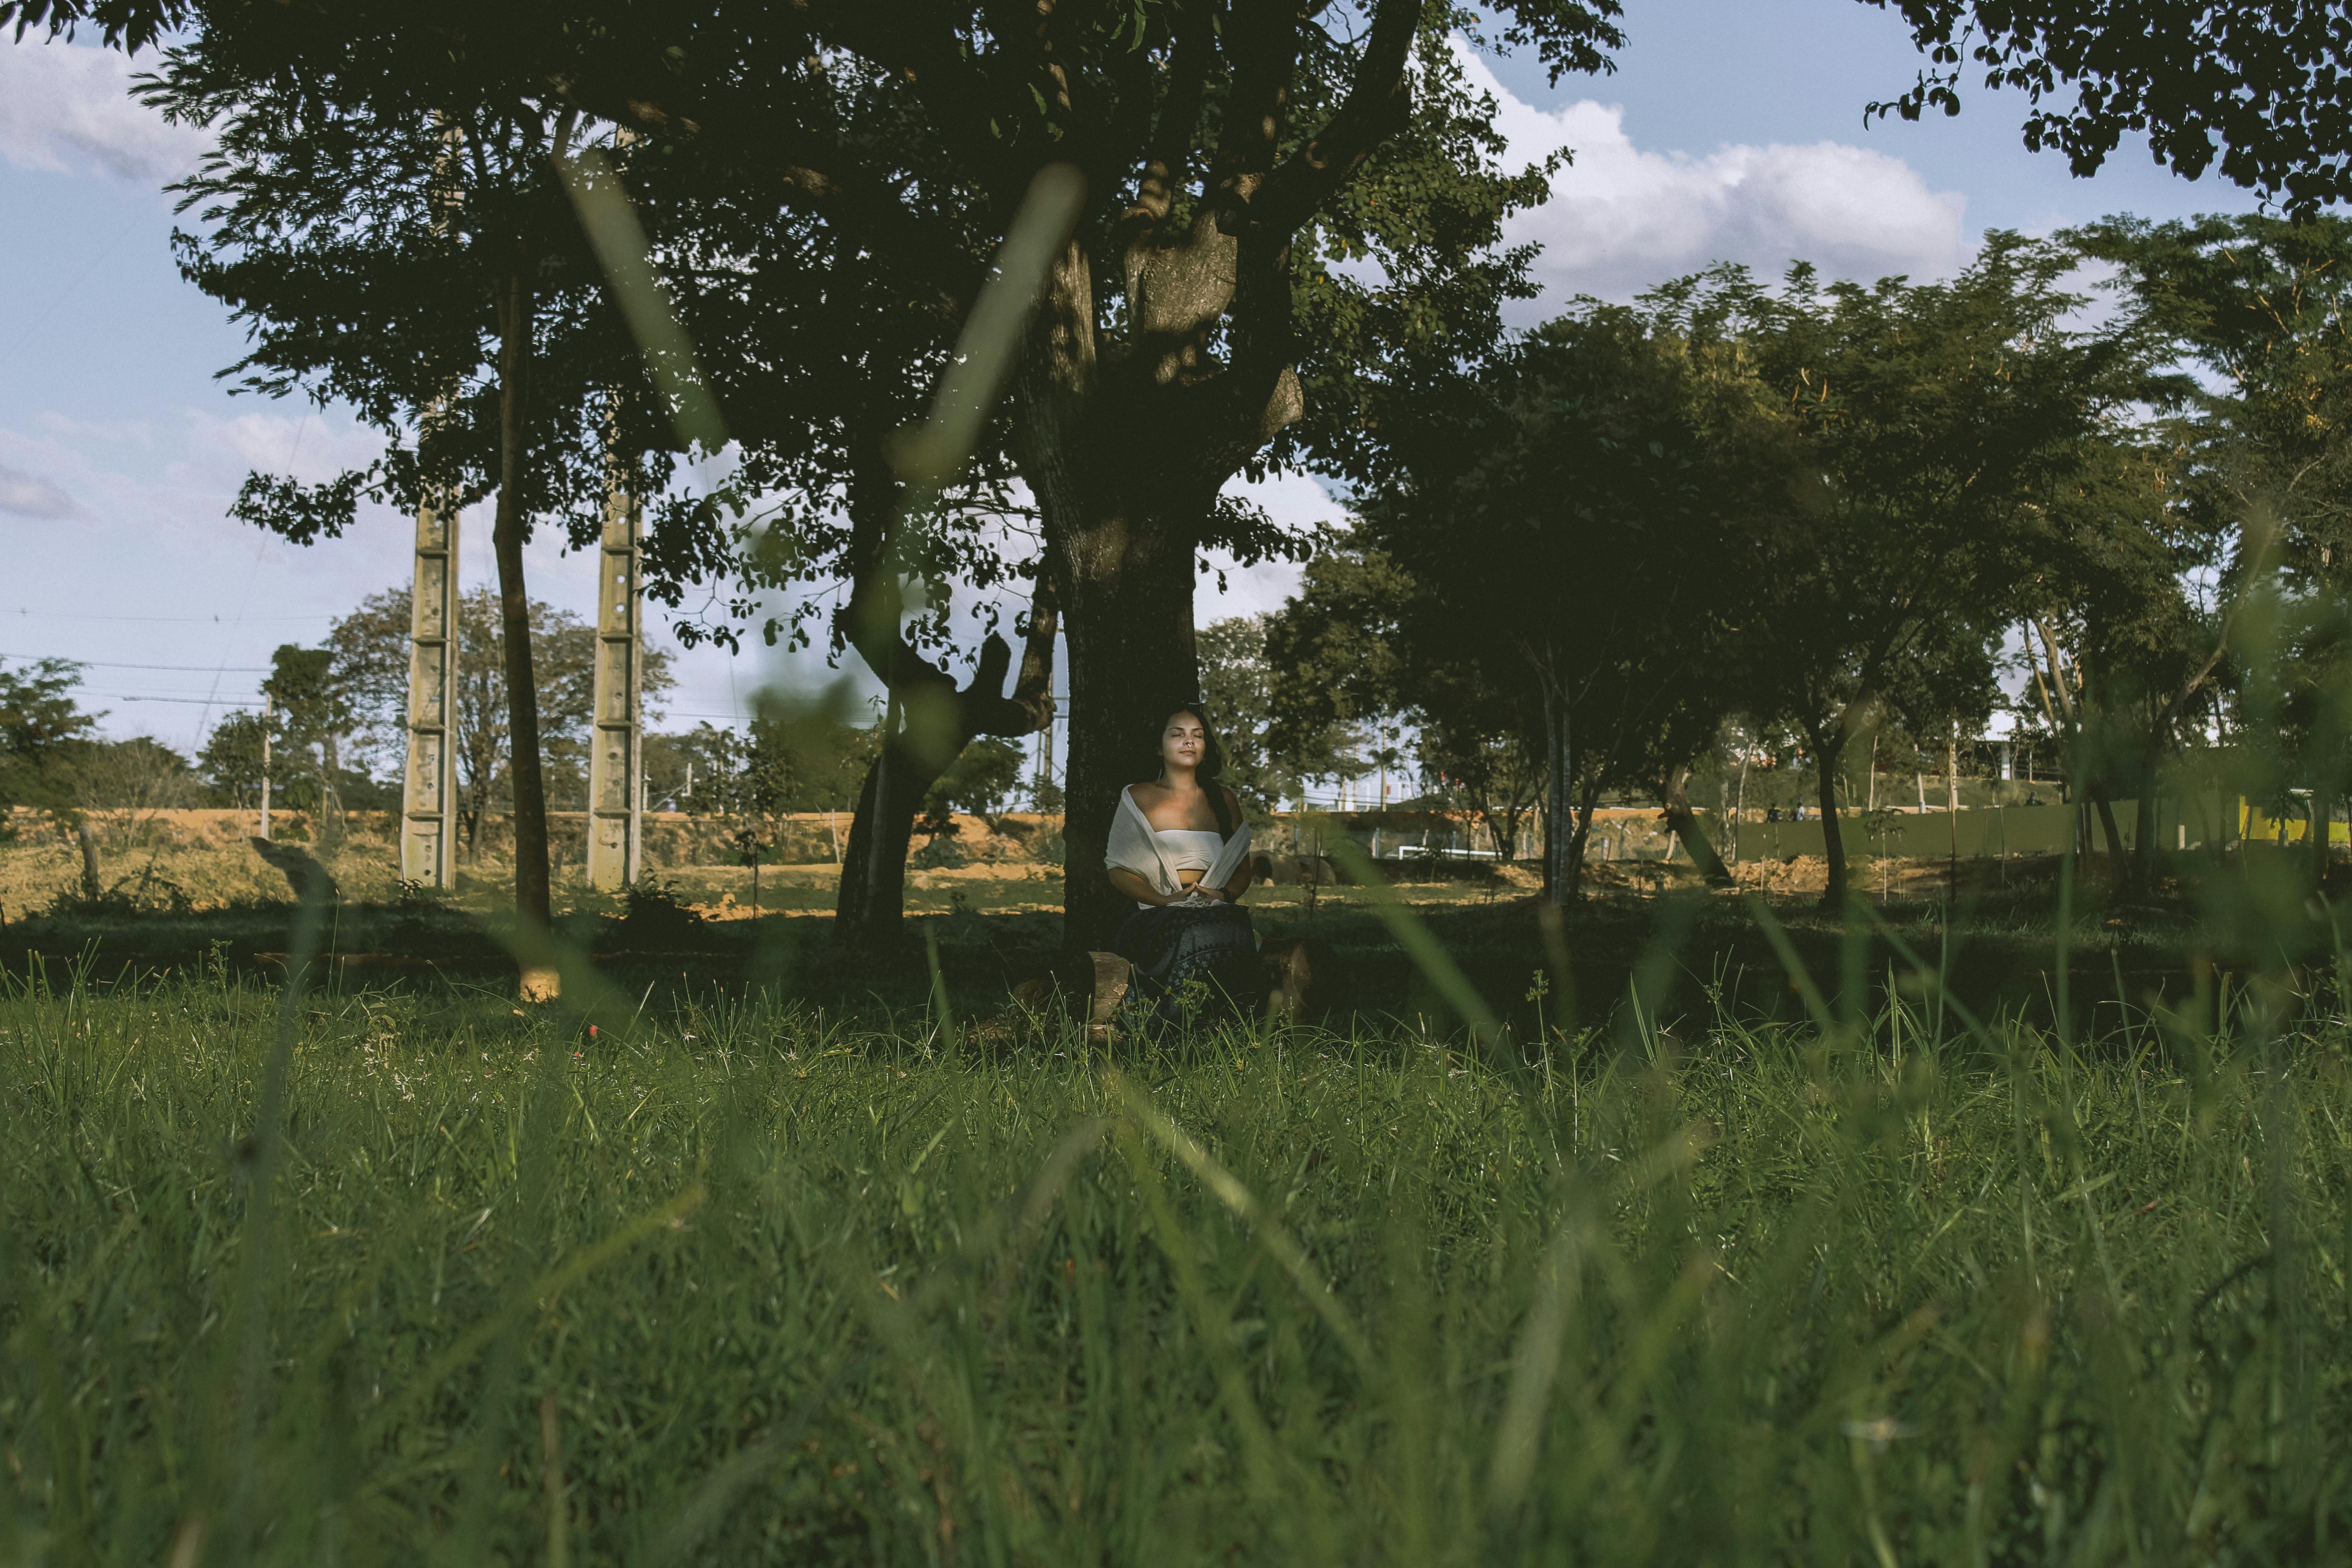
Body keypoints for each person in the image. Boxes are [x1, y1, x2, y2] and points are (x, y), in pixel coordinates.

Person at [1104, 705, 1259, 1027]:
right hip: (1157, 916)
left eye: (1197, 735)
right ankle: (1172, 1028)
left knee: (1233, 925)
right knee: (1193, 931)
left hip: (1217, 910)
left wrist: (1225, 895)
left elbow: (1243, 869)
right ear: (1159, 747)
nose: (1189, 742)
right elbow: (1118, 869)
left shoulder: (1224, 799)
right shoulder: (1138, 796)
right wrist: (1166, 901)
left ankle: (1226, 1028)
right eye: (1178, 735)